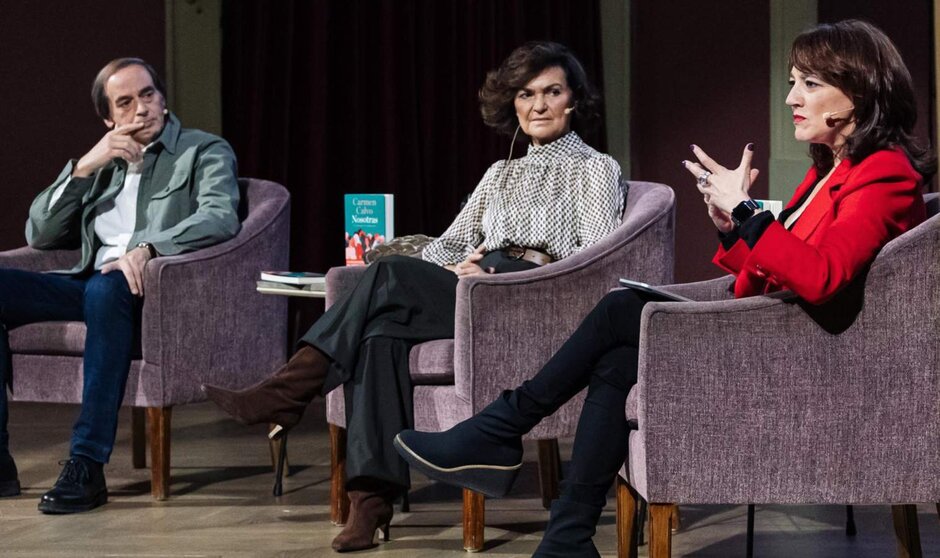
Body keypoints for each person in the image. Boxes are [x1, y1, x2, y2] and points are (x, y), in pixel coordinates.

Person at [394, 20, 933, 557]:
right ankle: (567, 538)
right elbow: (769, 276)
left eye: (809, 83)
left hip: (808, 357)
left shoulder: (884, 174)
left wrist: (748, 213)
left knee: (622, 308)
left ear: (858, 92)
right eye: (793, 80)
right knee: (616, 359)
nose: (792, 96)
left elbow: (821, 279)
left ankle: (501, 426)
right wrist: (732, 224)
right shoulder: (828, 173)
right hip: (774, 335)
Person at [202, 41, 623, 552]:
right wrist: (453, 268)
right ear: (511, 103)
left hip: (529, 300)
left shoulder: (595, 168)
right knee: (379, 334)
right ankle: (371, 505)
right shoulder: (500, 173)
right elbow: (449, 241)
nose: (537, 105)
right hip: (474, 290)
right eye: (526, 94)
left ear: (574, 100)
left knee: (385, 280)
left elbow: (596, 260)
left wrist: (512, 271)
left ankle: (289, 391)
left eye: (552, 92)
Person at [0, 58, 240, 514]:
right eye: (125, 103)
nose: (141, 109)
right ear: (109, 118)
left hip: (149, 293)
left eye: (148, 95)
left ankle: (87, 464)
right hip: (88, 286)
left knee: (107, 287)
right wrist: (85, 166)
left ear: (163, 99)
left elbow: (219, 217)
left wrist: (149, 248)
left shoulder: (202, 150)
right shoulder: (104, 166)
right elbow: (41, 235)